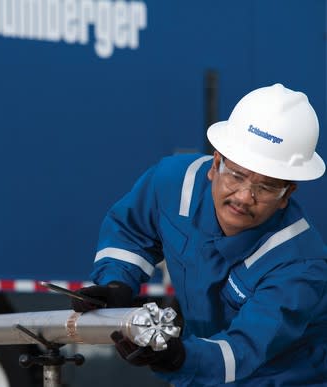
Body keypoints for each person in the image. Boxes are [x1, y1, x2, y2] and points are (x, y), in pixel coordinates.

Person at [72, 83, 327, 385]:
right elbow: (130, 231)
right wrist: (117, 283)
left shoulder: (300, 264)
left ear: (287, 193)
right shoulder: (172, 184)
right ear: (215, 163)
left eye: (266, 186)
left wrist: (179, 357)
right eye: (237, 175)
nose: (245, 196)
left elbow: (243, 351)